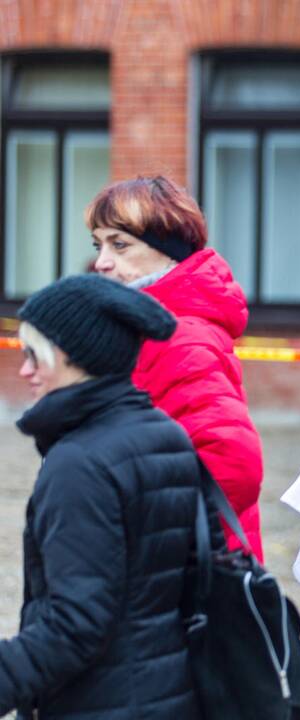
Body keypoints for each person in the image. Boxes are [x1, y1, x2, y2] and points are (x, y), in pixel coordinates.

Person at [0, 274, 201, 718]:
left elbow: (76, 625)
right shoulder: (165, 434)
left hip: (100, 703)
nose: (25, 370)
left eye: (35, 354)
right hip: (168, 693)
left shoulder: (79, 463)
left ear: (76, 358)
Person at [86, 175, 264, 560]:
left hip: (182, 581)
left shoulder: (176, 335)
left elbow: (235, 467)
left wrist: (145, 537)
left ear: (168, 251)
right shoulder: (143, 326)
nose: (102, 262)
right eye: (99, 245)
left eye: (120, 245)